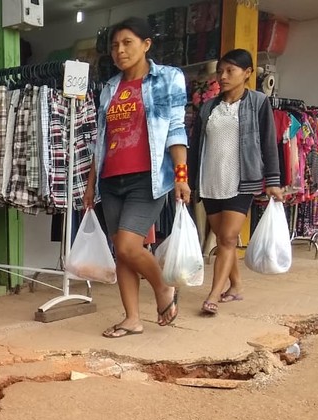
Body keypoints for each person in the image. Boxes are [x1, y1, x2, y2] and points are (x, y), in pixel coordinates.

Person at [83, 17, 190, 338]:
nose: (120, 50)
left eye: (127, 42)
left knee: (129, 245)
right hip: (111, 180)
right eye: (115, 45)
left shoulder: (168, 79)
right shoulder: (109, 88)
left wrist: (181, 176)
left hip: (148, 178)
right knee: (122, 253)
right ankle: (132, 318)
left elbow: (176, 130)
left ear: (146, 45)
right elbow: (100, 141)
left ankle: (163, 290)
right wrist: (90, 186)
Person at [188, 49, 283, 315]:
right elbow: (196, 146)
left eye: (231, 70)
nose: (223, 76)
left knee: (228, 238)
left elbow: (268, 143)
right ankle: (237, 286)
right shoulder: (208, 107)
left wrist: (273, 181)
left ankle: (213, 295)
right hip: (210, 181)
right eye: (221, 71)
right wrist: (188, 181)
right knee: (222, 238)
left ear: (248, 73)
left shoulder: (258, 102)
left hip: (241, 181)